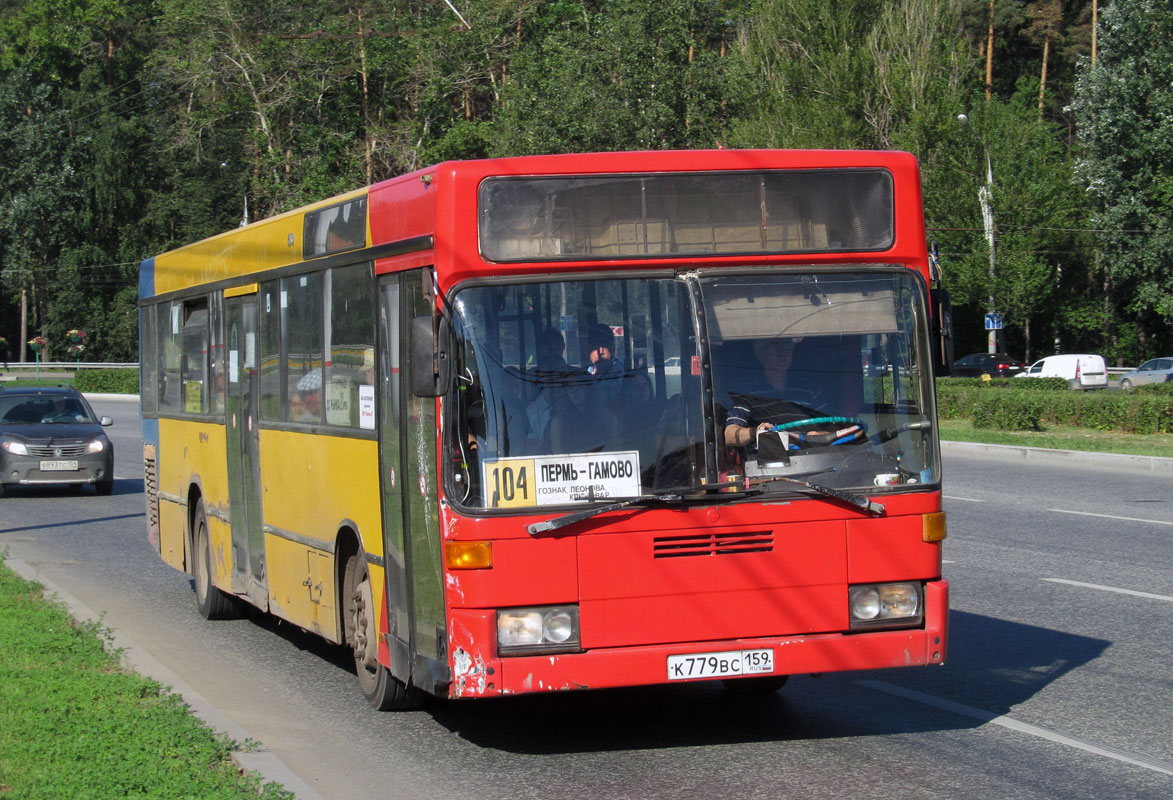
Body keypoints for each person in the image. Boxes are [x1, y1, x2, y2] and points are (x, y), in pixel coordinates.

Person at [723, 337, 818, 448]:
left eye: (787, 346)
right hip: (765, 462)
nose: (782, 352)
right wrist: (756, 432)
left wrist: (817, 436)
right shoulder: (748, 391)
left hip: (812, 459)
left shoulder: (807, 387)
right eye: (775, 346)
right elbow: (730, 436)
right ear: (761, 353)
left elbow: (831, 430)